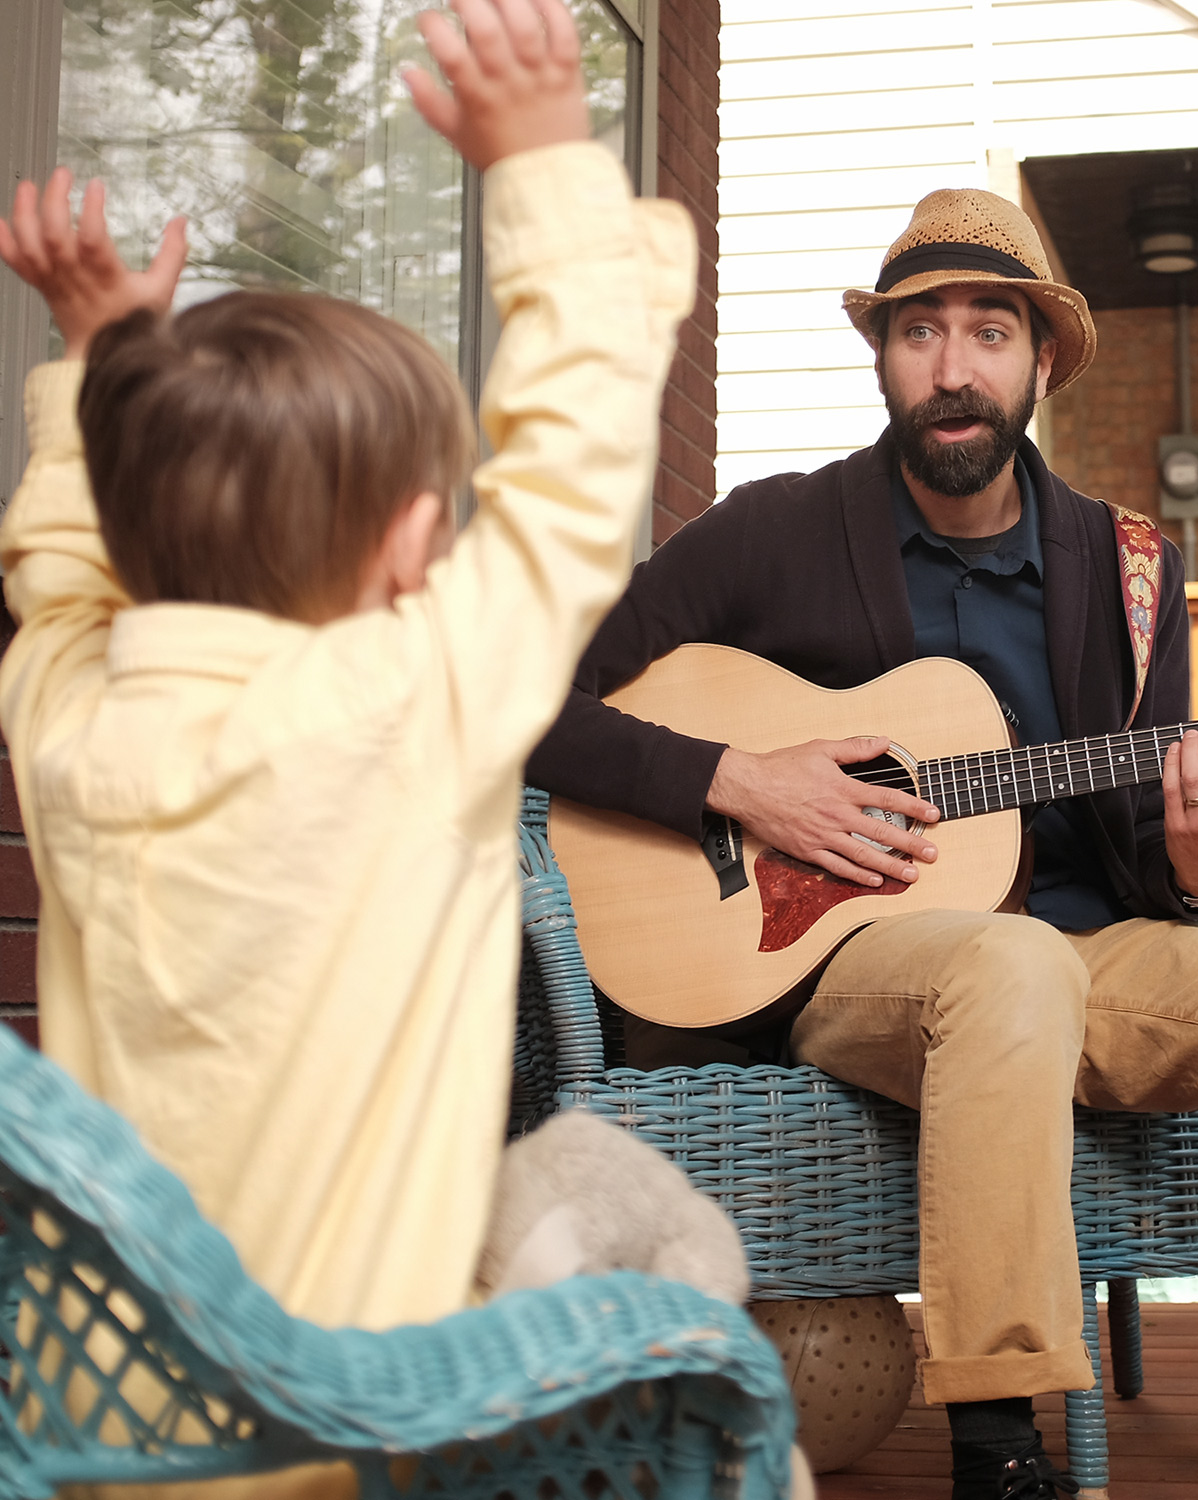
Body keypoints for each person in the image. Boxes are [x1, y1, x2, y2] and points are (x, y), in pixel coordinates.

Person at [527, 189, 1198, 1500]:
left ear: (1041, 360)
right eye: (919, 332)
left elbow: (1147, 851)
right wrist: (737, 779)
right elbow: (528, 704)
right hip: (852, 972)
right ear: (881, 358)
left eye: (989, 332)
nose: (952, 368)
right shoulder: (774, 533)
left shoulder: (1131, 569)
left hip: (1087, 958)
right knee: (1010, 971)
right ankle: (999, 1444)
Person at [0, 0, 690, 1387]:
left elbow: (61, 587)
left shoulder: (67, 724)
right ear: (405, 551)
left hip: (111, 1428)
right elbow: (576, 473)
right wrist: (551, 158)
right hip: (350, 1429)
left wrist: (99, 359)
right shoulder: (412, 703)